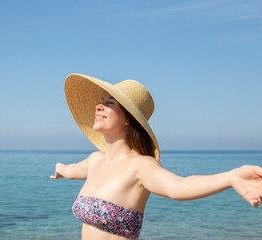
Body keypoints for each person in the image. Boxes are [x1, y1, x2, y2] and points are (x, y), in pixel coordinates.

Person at [50, 74, 262, 240]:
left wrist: (231, 177)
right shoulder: (94, 160)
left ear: (127, 119)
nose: (99, 106)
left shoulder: (141, 166)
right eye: (100, 100)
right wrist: (59, 168)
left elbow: (177, 186)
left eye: (110, 103)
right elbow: (70, 170)